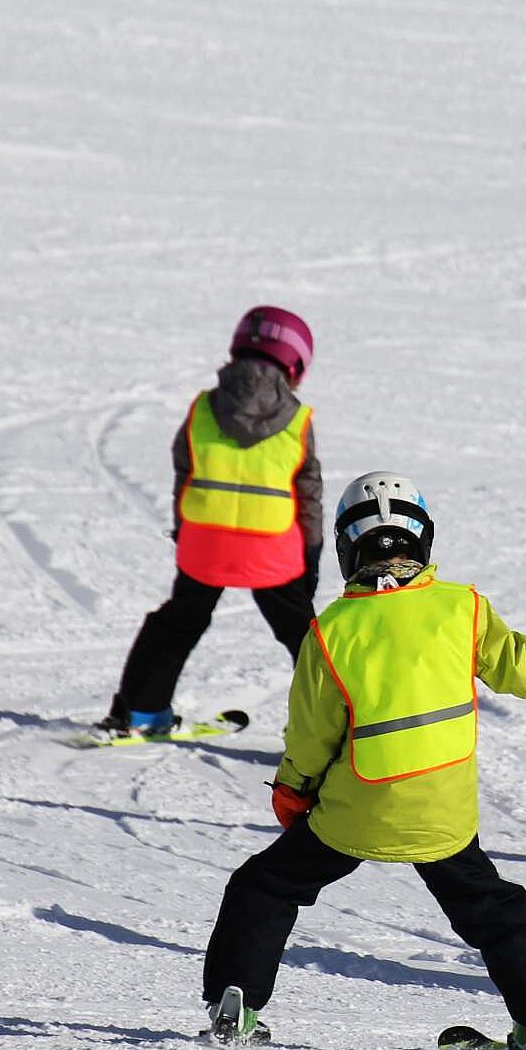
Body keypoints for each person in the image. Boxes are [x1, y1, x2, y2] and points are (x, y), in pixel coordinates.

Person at [199, 471, 526, 1050]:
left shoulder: (331, 631)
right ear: (423, 539)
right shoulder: (459, 608)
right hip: (443, 812)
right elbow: (523, 665)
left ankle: (237, 1005)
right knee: (495, 908)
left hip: (358, 814)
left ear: (347, 548)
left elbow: (312, 736)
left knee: (264, 887)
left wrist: (294, 790)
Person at [96, 307, 323, 736]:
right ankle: (335, 730)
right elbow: (308, 494)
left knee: (178, 620)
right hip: (272, 549)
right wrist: (310, 557)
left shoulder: (201, 408)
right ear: (294, 365)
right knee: (305, 638)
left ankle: (140, 713)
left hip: (206, 544)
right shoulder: (297, 420)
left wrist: (186, 534)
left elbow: (186, 472)